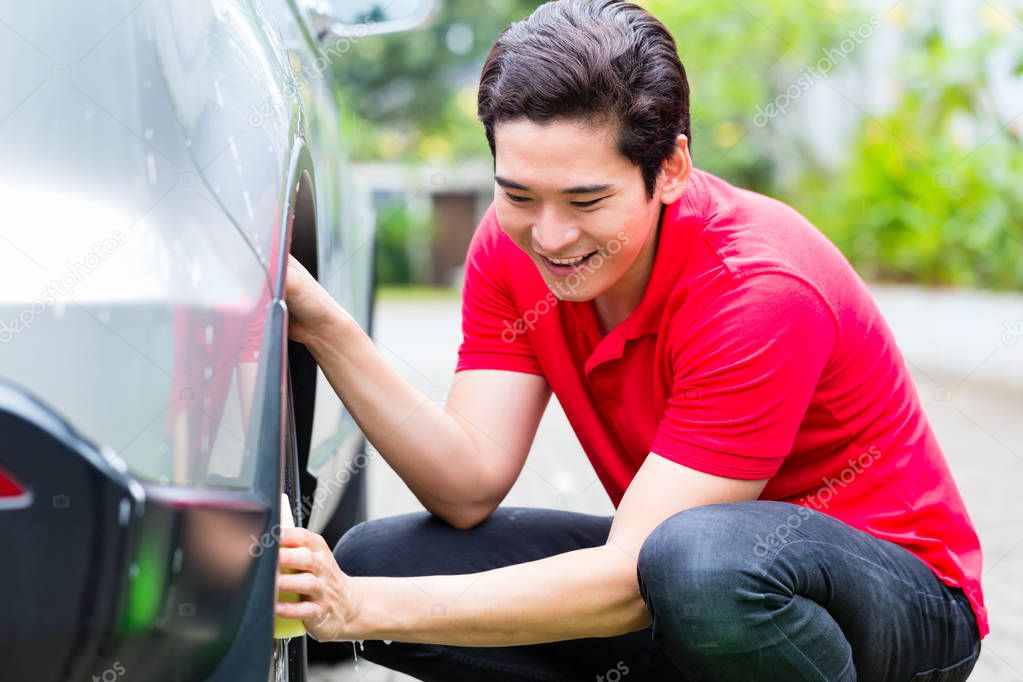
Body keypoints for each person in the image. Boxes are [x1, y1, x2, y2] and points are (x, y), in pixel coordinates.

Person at [274, 1, 986, 679]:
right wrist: (322, 321)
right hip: (688, 586)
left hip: (894, 606)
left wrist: (356, 608)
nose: (549, 236)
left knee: (698, 566)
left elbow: (628, 579)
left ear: (669, 169)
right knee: (383, 561)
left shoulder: (757, 288)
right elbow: (465, 485)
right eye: (518, 195)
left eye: (587, 201)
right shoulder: (512, 249)